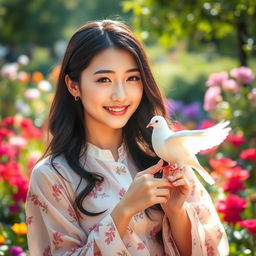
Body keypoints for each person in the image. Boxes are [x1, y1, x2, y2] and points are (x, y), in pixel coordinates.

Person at [25, 19, 229, 256]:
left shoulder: (165, 157)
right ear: (73, 86)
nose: (120, 95)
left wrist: (176, 212)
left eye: (132, 78)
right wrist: (123, 212)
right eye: (104, 80)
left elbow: (211, 250)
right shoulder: (52, 176)